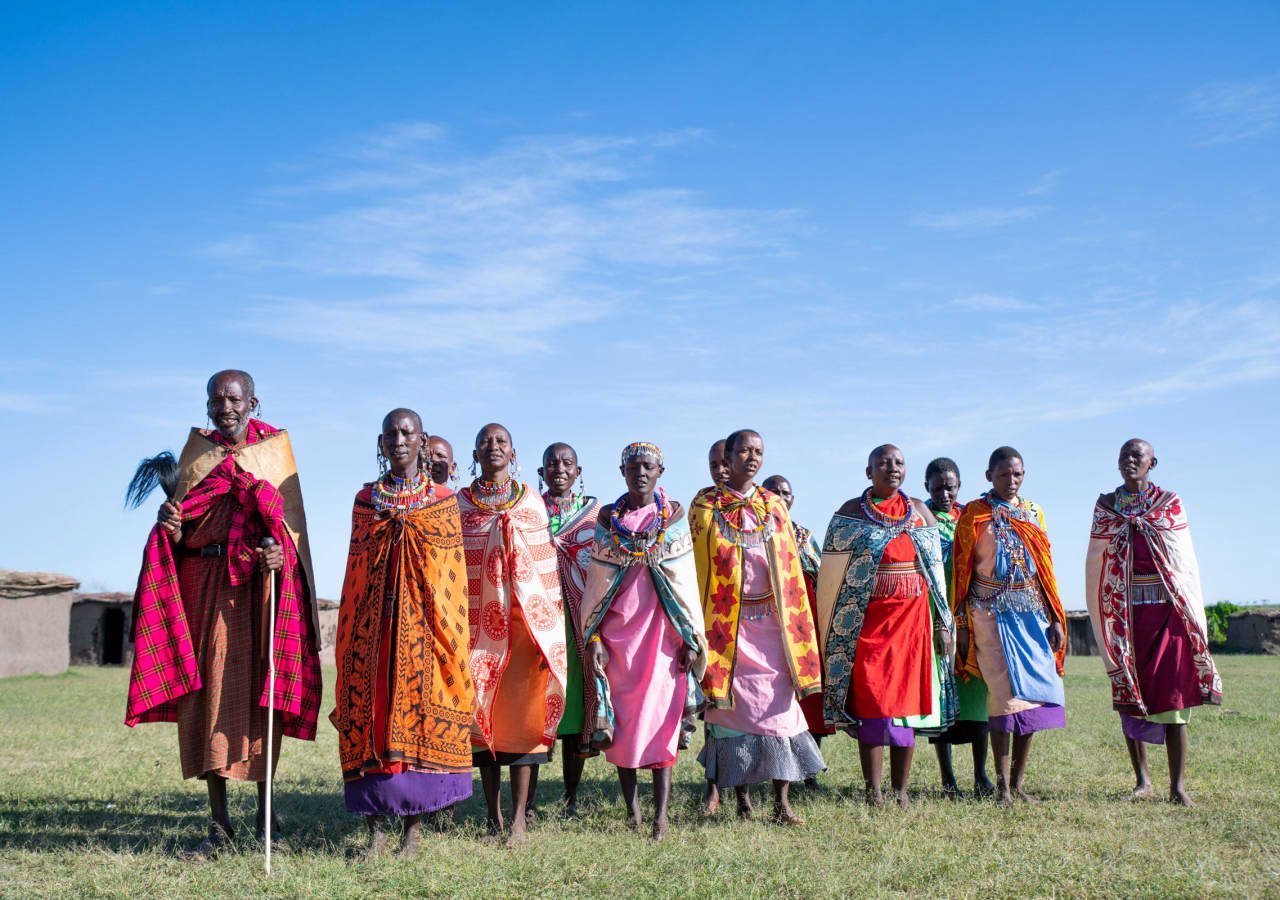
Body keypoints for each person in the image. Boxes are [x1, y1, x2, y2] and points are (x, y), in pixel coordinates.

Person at [124, 370, 322, 858]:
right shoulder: (198, 454)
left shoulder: (275, 454)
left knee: (264, 694)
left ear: (253, 401)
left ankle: (265, 813)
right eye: (216, 400)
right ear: (207, 404)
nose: (225, 407)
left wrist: (281, 558)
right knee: (205, 697)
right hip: (203, 586)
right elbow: (181, 525)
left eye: (234, 399)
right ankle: (219, 825)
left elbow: (292, 531)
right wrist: (168, 524)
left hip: (259, 588)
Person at [331, 409, 475, 858]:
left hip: (425, 632)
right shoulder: (366, 501)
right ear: (380, 443)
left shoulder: (442, 502)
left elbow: (451, 578)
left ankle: (412, 831)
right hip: (373, 630)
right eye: (391, 434)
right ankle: (376, 830)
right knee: (374, 720)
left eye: (407, 433)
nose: (399, 440)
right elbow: (356, 571)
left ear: (422, 440)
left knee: (414, 722)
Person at [690, 429, 824, 824]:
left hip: (773, 624)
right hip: (725, 628)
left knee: (780, 710)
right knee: (734, 714)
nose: (752, 457)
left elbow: (791, 568)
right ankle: (742, 801)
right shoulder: (705, 506)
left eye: (759, 451)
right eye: (745, 450)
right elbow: (696, 567)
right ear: (727, 458)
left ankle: (782, 803)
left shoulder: (774, 506)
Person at [814, 445, 955, 808]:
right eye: (883, 463)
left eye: (899, 463)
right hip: (868, 624)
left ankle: (901, 791)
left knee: (905, 708)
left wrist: (943, 622)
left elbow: (936, 575)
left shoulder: (922, 514)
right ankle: (873, 791)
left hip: (913, 625)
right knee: (874, 704)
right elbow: (831, 576)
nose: (892, 468)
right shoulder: (849, 515)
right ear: (868, 471)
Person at [580, 442, 707, 840]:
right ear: (622, 472)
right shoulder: (607, 521)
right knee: (626, 726)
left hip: (664, 638)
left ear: (660, 472)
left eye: (648, 466)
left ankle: (661, 817)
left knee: (661, 723)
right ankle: (633, 812)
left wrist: (689, 638)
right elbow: (597, 586)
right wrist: (596, 636)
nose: (641, 473)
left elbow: (684, 588)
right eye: (633, 466)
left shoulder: (673, 520)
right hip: (619, 638)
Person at [1085, 439, 1222, 807]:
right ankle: (1142, 781)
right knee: (1129, 695)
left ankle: (1177, 787)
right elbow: (1099, 560)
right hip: (1125, 616)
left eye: (1137, 457)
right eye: (1123, 457)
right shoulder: (1107, 507)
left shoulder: (1169, 504)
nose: (1129, 462)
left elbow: (1183, 561)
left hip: (1168, 613)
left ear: (1152, 463)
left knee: (1175, 699)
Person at [460, 423, 567, 844]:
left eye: (501, 441)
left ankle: (520, 818)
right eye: (485, 441)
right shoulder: (462, 506)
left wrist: (550, 634)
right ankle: (492, 817)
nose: (493, 447)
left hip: (528, 631)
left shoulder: (532, 504)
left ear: (513, 451)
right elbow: (458, 570)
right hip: (477, 633)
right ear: (475, 452)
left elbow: (547, 574)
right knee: (485, 721)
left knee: (524, 723)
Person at [952, 446, 1066, 804]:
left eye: (1017, 474)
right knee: (1002, 699)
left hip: (1032, 614)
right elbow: (960, 572)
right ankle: (1001, 786)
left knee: (1031, 698)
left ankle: (1017, 784)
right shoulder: (974, 514)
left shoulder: (1033, 513)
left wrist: (1056, 617)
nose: (1011, 481)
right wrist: (962, 624)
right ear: (989, 476)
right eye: (1003, 474)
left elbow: (1046, 568)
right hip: (989, 615)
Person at [922, 458, 994, 798]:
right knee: (943, 694)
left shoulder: (972, 517)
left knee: (977, 696)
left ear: (960, 485)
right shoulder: (921, 520)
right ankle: (948, 778)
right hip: (935, 617)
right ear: (927, 489)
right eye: (937, 488)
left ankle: (981, 775)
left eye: (950, 486)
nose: (945, 493)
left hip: (972, 614)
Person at [537, 442, 602, 816]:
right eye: (552, 463)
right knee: (536, 705)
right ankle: (527, 799)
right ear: (541, 472)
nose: (559, 468)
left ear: (579, 471)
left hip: (580, 624)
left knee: (575, 711)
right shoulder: (529, 512)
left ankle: (571, 797)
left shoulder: (594, 517)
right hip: (540, 625)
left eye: (567, 463)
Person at [761, 474, 834, 789]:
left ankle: (810, 769)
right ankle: (771, 768)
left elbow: (821, 580)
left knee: (812, 702)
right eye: (773, 491)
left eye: (786, 492)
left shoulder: (804, 536)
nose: (780, 496)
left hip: (805, 629)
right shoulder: (752, 534)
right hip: (767, 627)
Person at [695, 438, 730, 812]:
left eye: (724, 462)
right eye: (713, 464)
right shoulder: (701, 507)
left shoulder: (760, 506)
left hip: (751, 621)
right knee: (712, 709)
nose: (719, 470)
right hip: (709, 620)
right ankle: (712, 788)